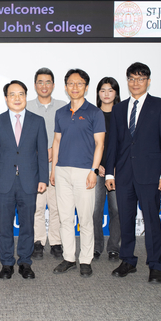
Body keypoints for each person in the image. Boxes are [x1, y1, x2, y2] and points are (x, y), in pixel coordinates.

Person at [105, 62, 161, 284]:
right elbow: (112, 145)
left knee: (152, 221)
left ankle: (155, 266)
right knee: (125, 220)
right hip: (124, 175)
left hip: (151, 175)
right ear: (127, 82)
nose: (136, 83)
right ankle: (127, 261)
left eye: (141, 79)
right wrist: (109, 174)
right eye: (132, 79)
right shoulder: (118, 109)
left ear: (148, 81)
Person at [0, 80, 48, 280]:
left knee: (28, 225)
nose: (17, 98)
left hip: (29, 181)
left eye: (21, 94)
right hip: (4, 181)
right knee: (4, 225)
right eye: (12, 94)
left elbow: (42, 154)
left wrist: (43, 178)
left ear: (26, 96)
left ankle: (25, 262)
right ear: (6, 98)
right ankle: (6, 263)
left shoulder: (37, 121)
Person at [51, 69, 105, 277]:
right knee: (65, 218)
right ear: (65, 87)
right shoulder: (61, 113)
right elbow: (56, 141)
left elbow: (100, 144)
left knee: (85, 218)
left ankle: (85, 260)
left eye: (79, 83)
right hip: (62, 171)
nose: (75, 87)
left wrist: (93, 170)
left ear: (86, 87)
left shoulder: (94, 112)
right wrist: (54, 169)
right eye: (71, 84)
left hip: (85, 171)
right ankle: (69, 258)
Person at [26, 68, 67, 260]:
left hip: (59, 166)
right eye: (40, 82)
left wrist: (53, 150)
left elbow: (69, 135)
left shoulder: (63, 106)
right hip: (35, 167)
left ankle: (56, 242)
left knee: (57, 207)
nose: (44, 86)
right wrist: (41, 152)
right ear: (35, 85)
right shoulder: (25, 107)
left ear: (53, 85)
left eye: (48, 82)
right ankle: (38, 241)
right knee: (37, 207)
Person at [92, 77, 122, 262]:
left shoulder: (122, 114)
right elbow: (88, 144)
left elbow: (125, 144)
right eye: (103, 90)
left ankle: (114, 247)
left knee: (116, 209)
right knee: (94, 210)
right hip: (96, 170)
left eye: (110, 90)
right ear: (97, 93)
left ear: (116, 93)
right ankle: (96, 246)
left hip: (117, 170)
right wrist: (97, 165)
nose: (106, 94)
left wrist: (116, 167)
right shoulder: (92, 114)